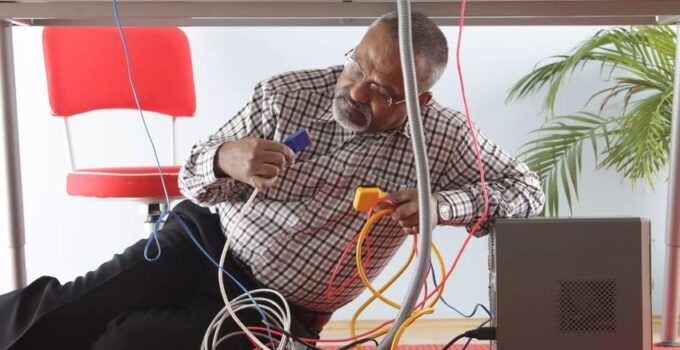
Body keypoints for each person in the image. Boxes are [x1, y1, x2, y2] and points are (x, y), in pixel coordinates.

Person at [0, 11, 544, 350]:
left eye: (381, 91)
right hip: (204, 243)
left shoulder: (441, 138)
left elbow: (528, 195)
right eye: (356, 68)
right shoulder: (286, 95)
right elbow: (194, 176)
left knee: (136, 340)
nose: (356, 93)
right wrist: (223, 160)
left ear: (419, 103)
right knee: (75, 305)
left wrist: (442, 204)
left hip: (281, 304)